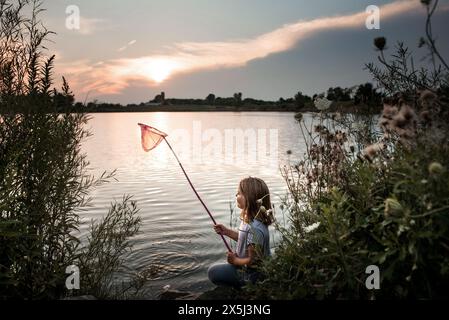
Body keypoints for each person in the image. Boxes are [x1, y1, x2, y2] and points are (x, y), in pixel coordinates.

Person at [208, 176, 274, 288]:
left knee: (213, 272)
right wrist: (226, 232)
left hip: (253, 274)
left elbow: (253, 262)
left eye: (239, 193)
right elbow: (245, 239)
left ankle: (247, 287)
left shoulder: (255, 228)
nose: (236, 195)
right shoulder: (251, 220)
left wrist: (235, 260)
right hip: (248, 267)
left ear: (249, 198)